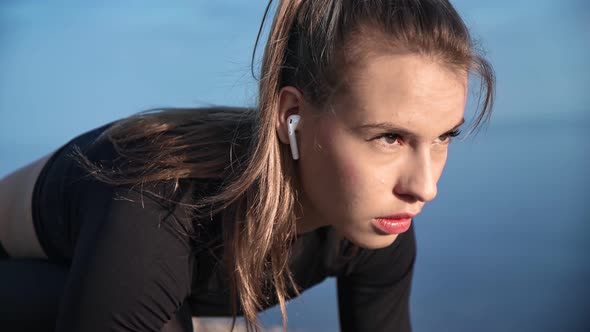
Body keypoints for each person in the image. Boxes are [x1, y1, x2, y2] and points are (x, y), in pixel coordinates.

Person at [0, 0, 495, 331]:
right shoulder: (160, 206)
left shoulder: (376, 218)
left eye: (443, 138)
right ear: (290, 116)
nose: (424, 187)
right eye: (389, 137)